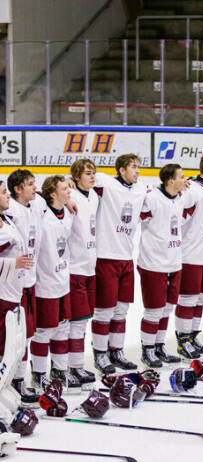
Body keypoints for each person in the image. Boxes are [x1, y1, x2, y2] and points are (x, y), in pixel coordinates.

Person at [91, 154, 147, 374]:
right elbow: (79, 181)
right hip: (105, 256)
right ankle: (100, 354)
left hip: (126, 258)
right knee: (104, 311)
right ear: (122, 170)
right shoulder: (106, 183)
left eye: (138, 167)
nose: (138, 171)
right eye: (133, 167)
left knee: (121, 310)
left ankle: (116, 351)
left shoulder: (141, 189)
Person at [137, 164, 187, 368]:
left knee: (167, 309)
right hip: (153, 264)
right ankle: (147, 349)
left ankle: (158, 346)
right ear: (170, 181)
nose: (186, 180)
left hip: (174, 262)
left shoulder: (181, 197)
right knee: (153, 310)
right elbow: (135, 219)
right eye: (182, 177)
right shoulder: (151, 198)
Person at [174, 154, 203, 359]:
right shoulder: (192, 190)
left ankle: (192, 337)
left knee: (200, 299)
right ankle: (182, 340)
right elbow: (177, 215)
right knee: (188, 300)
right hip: (190, 255)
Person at [30, 176, 74, 391]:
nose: (69, 192)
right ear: (52, 194)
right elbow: (29, 197)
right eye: (65, 189)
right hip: (45, 282)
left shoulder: (67, 213)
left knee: (64, 328)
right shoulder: (41, 211)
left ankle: (58, 371)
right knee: (44, 331)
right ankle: (38, 374)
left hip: (63, 281)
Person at [4, 170, 42, 404]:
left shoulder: (35, 207)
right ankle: (13, 382)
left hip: (30, 282)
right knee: (15, 337)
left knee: (26, 336)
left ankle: (18, 381)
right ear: (17, 189)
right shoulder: (10, 212)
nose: (34, 188)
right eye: (29, 184)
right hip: (14, 286)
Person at [67, 159, 99, 386]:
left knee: (84, 320)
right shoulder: (70, 196)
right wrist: (66, 185)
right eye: (87, 173)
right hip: (74, 268)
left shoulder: (94, 196)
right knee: (75, 323)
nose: (92, 177)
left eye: (93, 173)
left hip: (90, 268)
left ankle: (75, 365)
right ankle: (72, 367)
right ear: (77, 177)